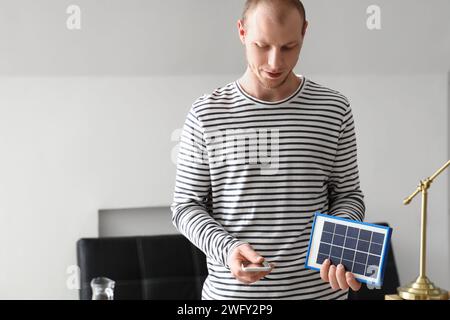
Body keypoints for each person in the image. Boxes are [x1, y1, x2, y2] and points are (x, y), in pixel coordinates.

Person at [171, 0, 365, 300]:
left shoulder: (334, 109)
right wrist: (228, 248)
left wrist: (340, 244)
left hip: (319, 295)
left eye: (289, 47)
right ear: (242, 32)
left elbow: (348, 195)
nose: (275, 63)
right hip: (235, 299)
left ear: (304, 33)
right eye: (262, 45)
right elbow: (186, 206)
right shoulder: (206, 113)